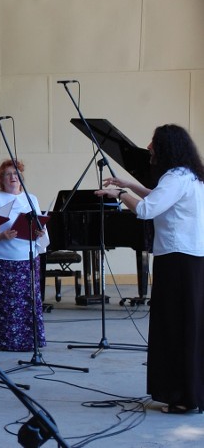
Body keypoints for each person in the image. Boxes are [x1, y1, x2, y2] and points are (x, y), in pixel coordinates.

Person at [97, 124, 204, 415]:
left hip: (176, 260)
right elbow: (158, 196)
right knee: (189, 327)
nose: (148, 147)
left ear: (166, 147)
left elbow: (146, 210)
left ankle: (181, 398)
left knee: (173, 327)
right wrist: (130, 186)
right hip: (191, 260)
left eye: (154, 143)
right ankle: (192, 392)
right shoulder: (189, 176)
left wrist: (118, 195)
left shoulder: (174, 177)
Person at [0, 160, 48, 352]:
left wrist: (40, 232)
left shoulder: (31, 198)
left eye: (16, 173)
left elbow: (40, 226)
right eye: (7, 174)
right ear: (1, 179)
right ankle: (2, 340)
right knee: (4, 304)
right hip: (1, 259)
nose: (13, 177)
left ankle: (28, 340)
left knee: (27, 302)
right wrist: (0, 235)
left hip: (26, 257)